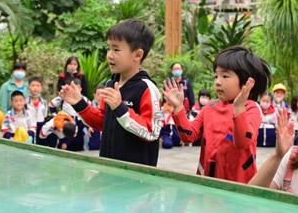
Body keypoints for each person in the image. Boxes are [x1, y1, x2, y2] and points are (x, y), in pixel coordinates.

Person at [61, 20, 162, 166]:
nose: (109, 55)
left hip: (135, 174)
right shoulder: (110, 84)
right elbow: (103, 122)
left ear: (138, 54)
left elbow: (151, 132)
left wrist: (120, 108)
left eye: (116, 49)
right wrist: (79, 103)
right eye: (108, 48)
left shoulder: (147, 88)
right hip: (108, 167)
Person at [164, 46, 270, 183]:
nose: (218, 82)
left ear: (246, 82)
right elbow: (188, 136)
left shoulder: (251, 108)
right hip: (208, 184)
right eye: (216, 76)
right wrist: (178, 107)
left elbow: (242, 142)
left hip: (238, 186)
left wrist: (238, 109)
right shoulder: (210, 107)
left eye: (225, 76)